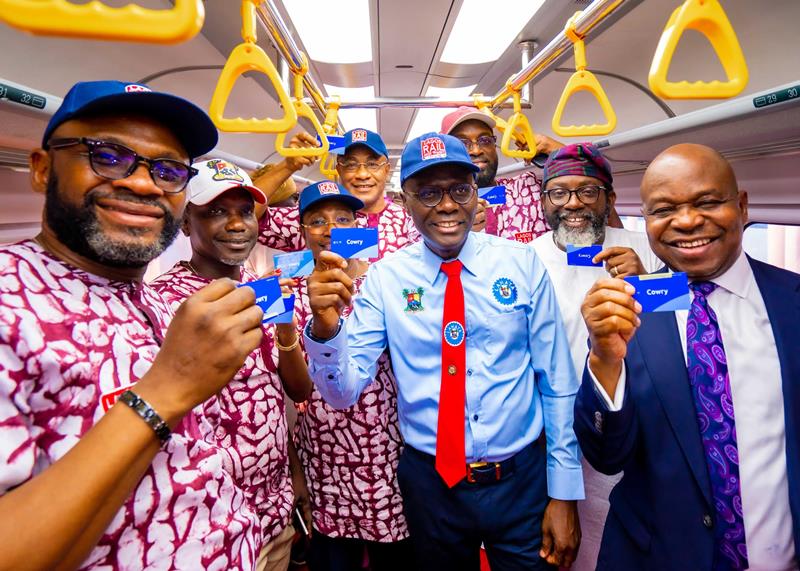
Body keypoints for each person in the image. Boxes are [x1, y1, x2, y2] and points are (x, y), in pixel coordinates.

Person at [0, 80, 267, 569]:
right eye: (108, 155)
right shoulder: (10, 301)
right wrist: (165, 391)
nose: (144, 184)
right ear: (41, 170)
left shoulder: (154, 305)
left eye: (167, 170)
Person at [302, 132, 584, 570]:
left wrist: (564, 490)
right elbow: (342, 393)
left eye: (459, 189)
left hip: (522, 480)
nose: (448, 205)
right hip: (431, 486)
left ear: (475, 193)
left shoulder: (521, 263)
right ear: (405, 199)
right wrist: (325, 328)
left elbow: (557, 381)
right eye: (429, 193)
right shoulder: (385, 279)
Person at [575, 143, 800, 570]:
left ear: (743, 206)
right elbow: (607, 455)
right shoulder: (629, 312)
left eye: (708, 202)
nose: (687, 221)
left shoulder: (792, 303)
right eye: (664, 210)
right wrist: (605, 359)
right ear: (648, 221)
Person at [149, 159, 313, 571]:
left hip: (274, 514)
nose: (237, 224)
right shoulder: (165, 304)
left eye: (245, 211)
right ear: (186, 224)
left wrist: (294, 477)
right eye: (217, 212)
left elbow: (281, 396)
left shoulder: (261, 292)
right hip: (209, 528)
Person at [531, 143, 662, 571]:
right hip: (552, 431)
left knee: (621, 540)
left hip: (630, 427)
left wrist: (644, 283)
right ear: (545, 200)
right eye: (560, 193)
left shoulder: (649, 248)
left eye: (588, 192)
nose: (573, 204)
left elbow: (688, 325)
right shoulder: (524, 259)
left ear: (609, 199)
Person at [288, 181, 413, 570]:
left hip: (389, 459)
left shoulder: (391, 281)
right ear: (302, 229)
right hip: (326, 462)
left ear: (359, 225)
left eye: (343, 218)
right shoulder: (286, 289)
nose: (330, 228)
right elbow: (292, 391)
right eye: (317, 220)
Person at [254, 129, 420, 258]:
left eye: (372, 164)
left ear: (386, 170)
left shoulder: (408, 223)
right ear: (339, 169)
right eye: (350, 164)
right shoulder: (311, 220)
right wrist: (288, 166)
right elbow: (248, 217)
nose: (362, 174)